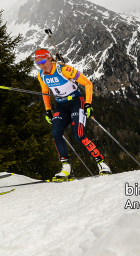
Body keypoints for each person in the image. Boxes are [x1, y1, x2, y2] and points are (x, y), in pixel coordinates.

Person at [35, 49, 112, 177]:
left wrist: (88, 104)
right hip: (61, 105)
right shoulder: (41, 75)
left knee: (78, 135)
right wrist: (48, 110)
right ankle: (66, 168)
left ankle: (101, 163)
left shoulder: (64, 70)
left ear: (49, 58)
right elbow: (45, 92)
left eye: (43, 61)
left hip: (76, 102)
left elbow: (87, 83)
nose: (41, 65)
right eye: (38, 63)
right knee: (56, 132)